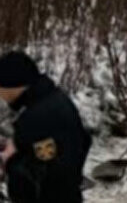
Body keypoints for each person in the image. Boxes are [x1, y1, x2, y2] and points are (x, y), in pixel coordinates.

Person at [0, 51, 92, 203]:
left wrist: (10, 160)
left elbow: (36, 175)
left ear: (14, 85)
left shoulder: (38, 116)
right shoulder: (50, 99)